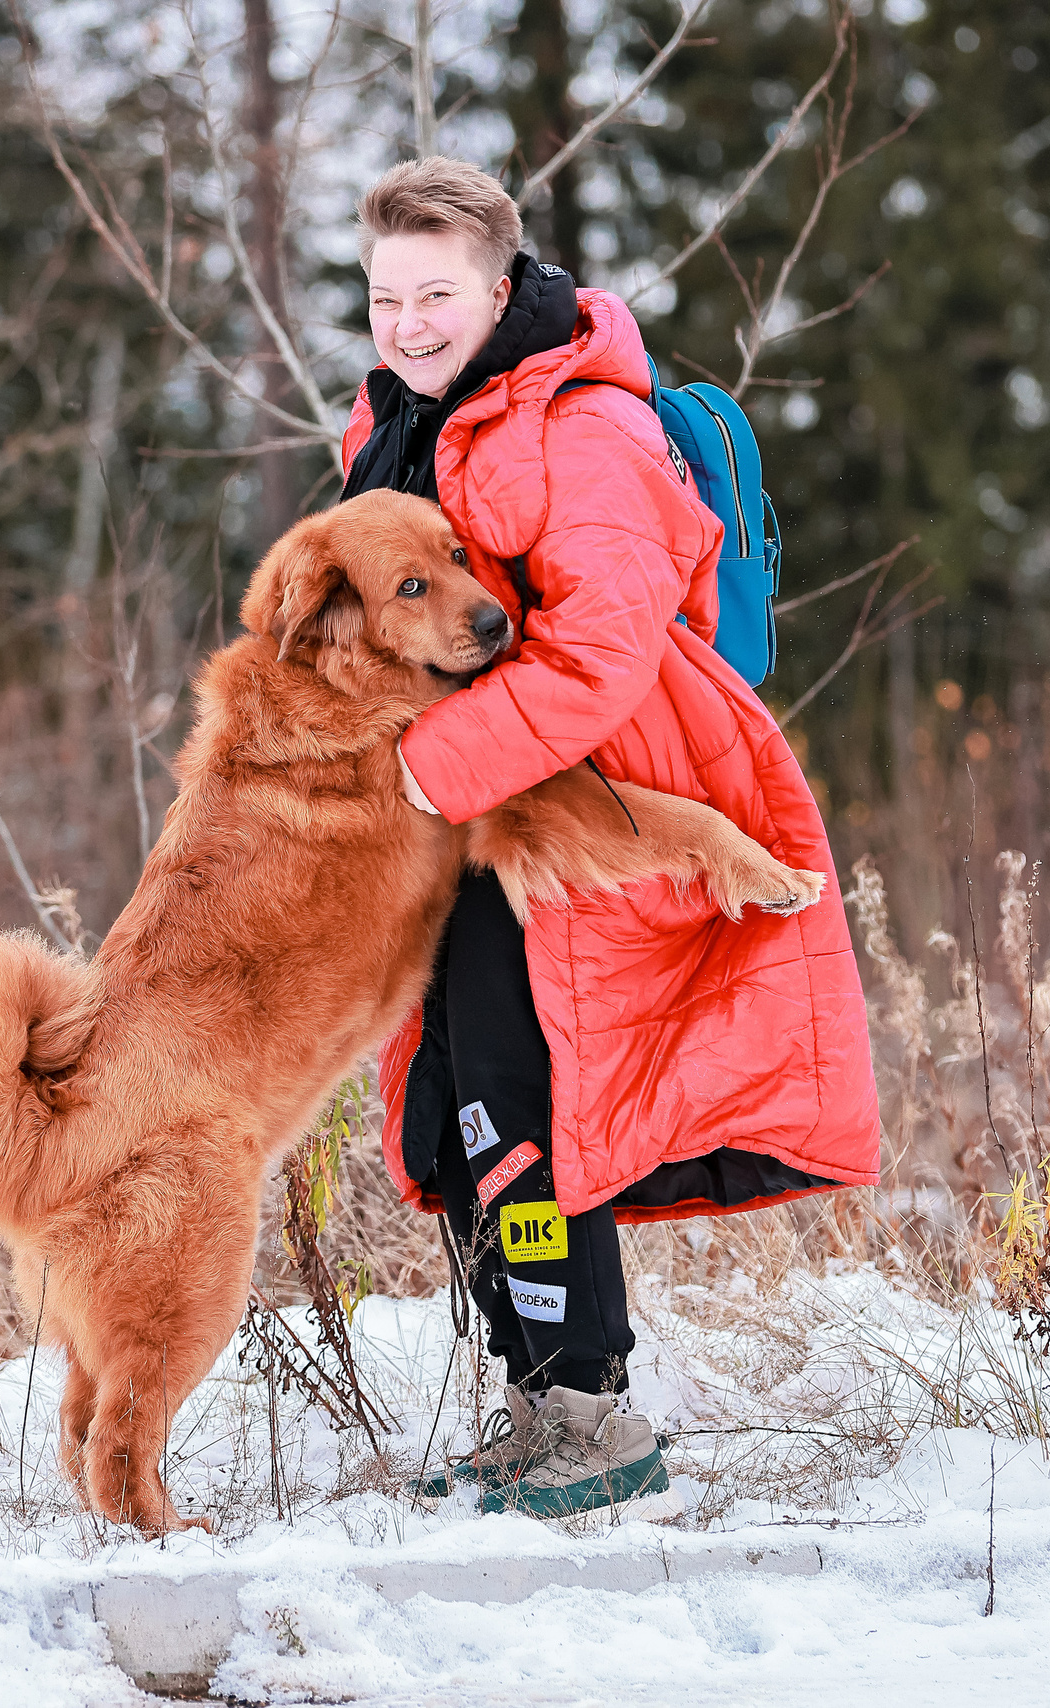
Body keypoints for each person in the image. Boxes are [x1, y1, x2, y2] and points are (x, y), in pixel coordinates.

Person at [340, 158, 880, 1518]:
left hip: (594, 810)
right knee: (461, 1107)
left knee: (530, 1109)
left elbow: (597, 655)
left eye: (436, 294)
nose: (407, 322)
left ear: (503, 282)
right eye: (383, 295)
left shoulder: (584, 429)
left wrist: (420, 769)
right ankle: (530, 1397)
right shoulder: (396, 425)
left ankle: (590, 1406)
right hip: (467, 824)